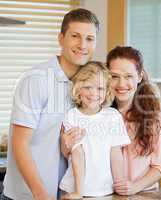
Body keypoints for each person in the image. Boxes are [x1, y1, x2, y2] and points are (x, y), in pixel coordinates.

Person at [1, 8, 99, 200]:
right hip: (28, 196)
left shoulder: (89, 85)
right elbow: (20, 143)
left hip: (64, 195)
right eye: (75, 36)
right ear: (61, 39)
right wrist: (40, 193)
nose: (82, 45)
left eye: (89, 38)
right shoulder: (36, 79)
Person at [59, 61, 130, 199]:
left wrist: (119, 184)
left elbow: (115, 153)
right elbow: (77, 155)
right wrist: (79, 192)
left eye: (100, 88)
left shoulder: (113, 116)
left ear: (107, 91)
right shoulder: (72, 116)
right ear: (78, 89)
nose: (93, 93)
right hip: (75, 189)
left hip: (106, 189)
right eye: (87, 87)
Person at [107, 46, 161, 195]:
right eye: (114, 76)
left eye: (128, 76)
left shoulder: (152, 117)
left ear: (139, 77)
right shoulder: (100, 115)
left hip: (143, 195)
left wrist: (135, 186)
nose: (121, 84)